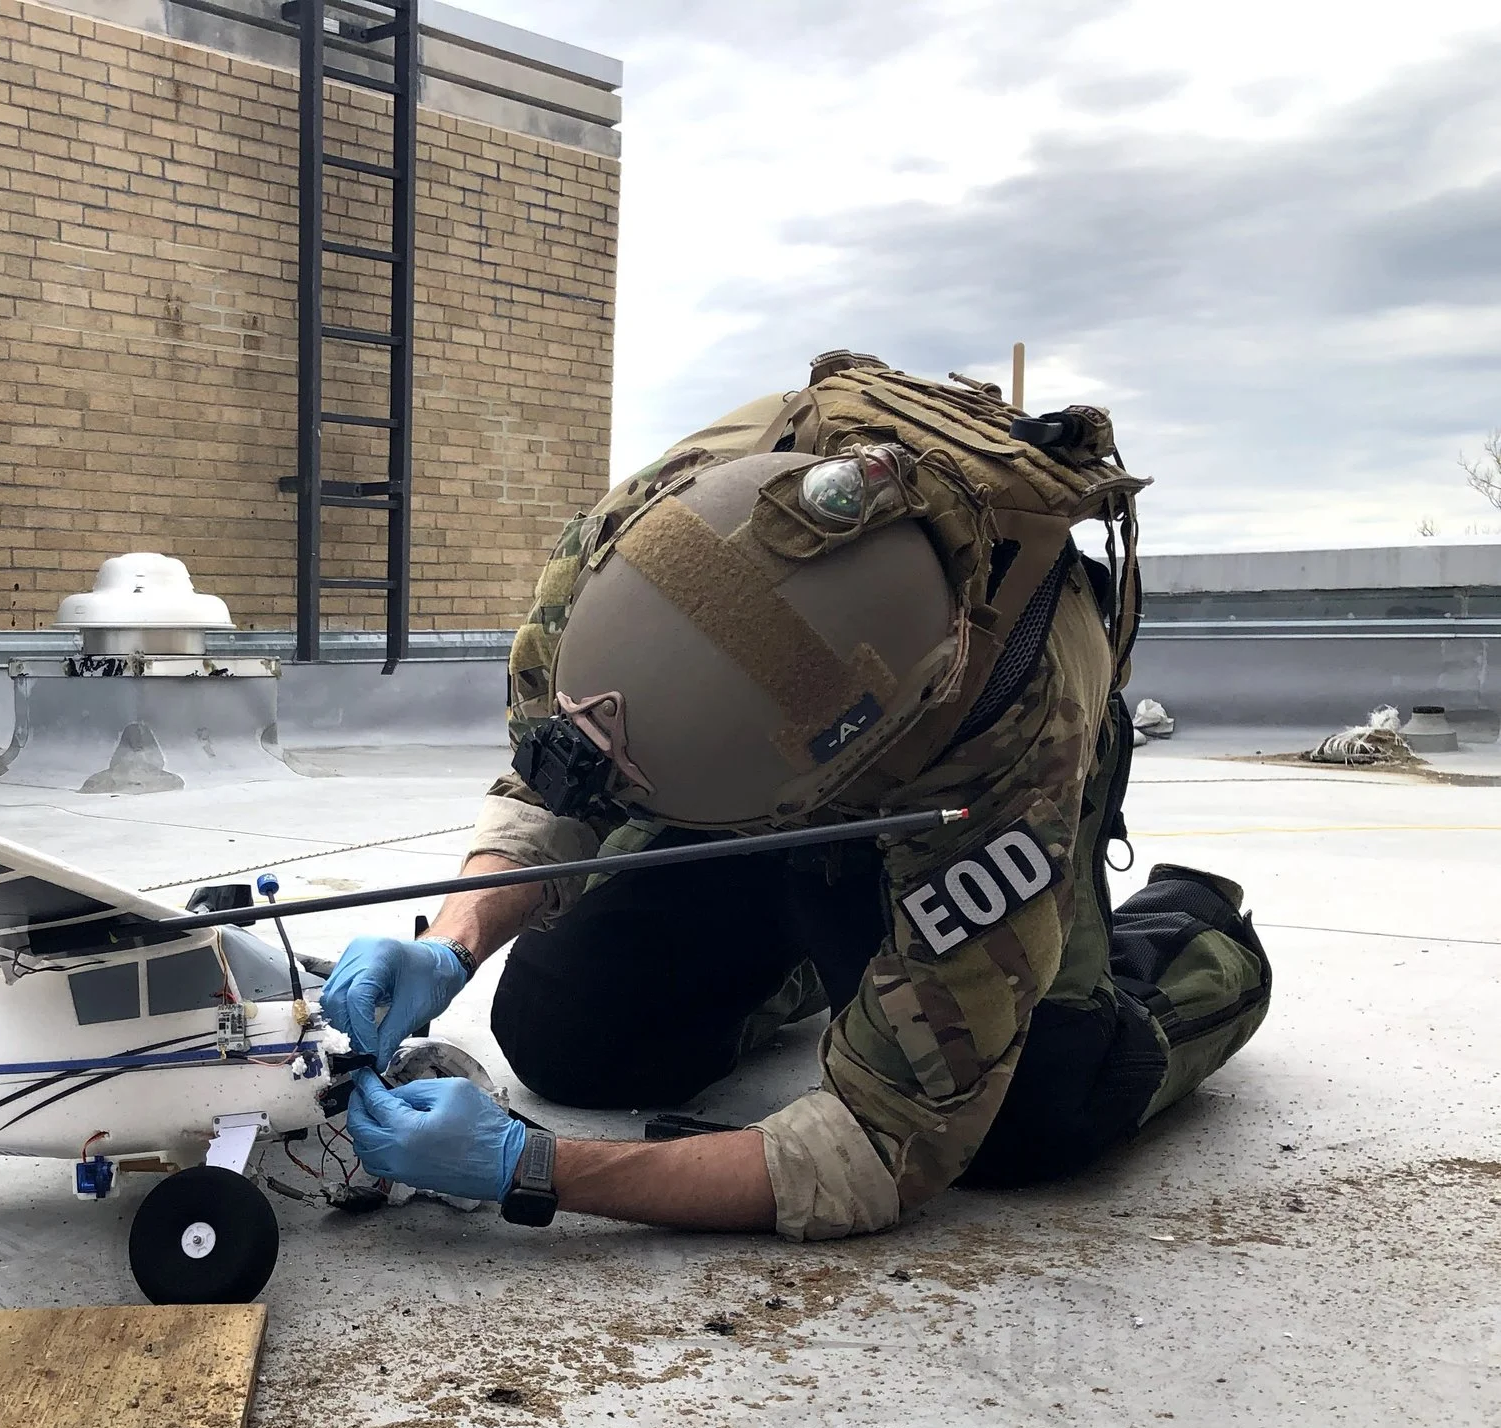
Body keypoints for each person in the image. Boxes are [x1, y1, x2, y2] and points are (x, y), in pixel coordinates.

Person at [323, 354, 1272, 1240]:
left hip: (932, 798)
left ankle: (1203, 943)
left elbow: (883, 1147)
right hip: (791, 756)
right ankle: (816, 965)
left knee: (1038, 1107)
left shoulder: (1012, 730)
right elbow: (553, 787)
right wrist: (451, 944)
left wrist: (540, 1169)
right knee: (566, 1036)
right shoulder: (626, 556)